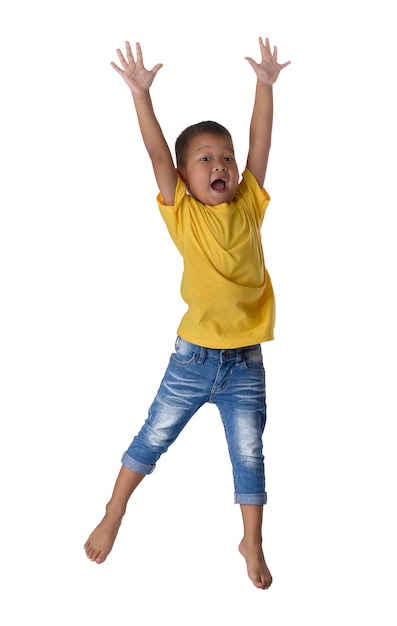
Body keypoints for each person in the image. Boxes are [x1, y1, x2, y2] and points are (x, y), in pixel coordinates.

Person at [84, 36, 290, 590]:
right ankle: (114, 510)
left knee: (250, 457)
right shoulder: (184, 215)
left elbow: (260, 142)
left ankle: (253, 540)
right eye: (205, 160)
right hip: (193, 359)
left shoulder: (248, 203)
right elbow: (155, 154)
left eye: (225, 158)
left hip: (246, 362)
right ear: (185, 176)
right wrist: (141, 97)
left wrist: (264, 86)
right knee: (152, 438)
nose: (220, 165)